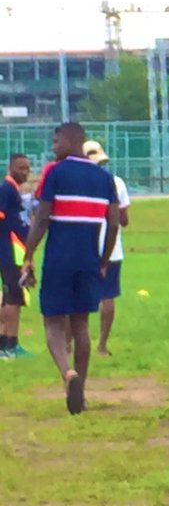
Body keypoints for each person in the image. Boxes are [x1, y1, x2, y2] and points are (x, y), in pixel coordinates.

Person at [19, 122, 120, 414]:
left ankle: (67, 374)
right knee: (81, 325)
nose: (53, 147)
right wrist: (103, 261)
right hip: (89, 260)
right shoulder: (105, 179)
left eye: (56, 140)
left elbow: (41, 219)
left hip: (59, 259)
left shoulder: (56, 173)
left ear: (71, 140)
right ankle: (82, 393)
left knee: (52, 321)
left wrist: (28, 255)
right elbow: (113, 224)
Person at [83, 141, 130, 357]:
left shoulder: (77, 182)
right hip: (112, 249)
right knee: (107, 296)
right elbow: (123, 220)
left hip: (83, 247)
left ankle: (69, 343)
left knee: (76, 298)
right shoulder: (116, 182)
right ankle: (102, 345)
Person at [0, 153, 32, 359]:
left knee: (11, 297)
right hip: (9, 252)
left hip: (15, 251)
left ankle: (5, 342)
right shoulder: (6, 190)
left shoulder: (13, 190)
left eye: (27, 168)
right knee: (13, 297)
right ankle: (10, 345)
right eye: (21, 168)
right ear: (11, 168)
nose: (25, 172)